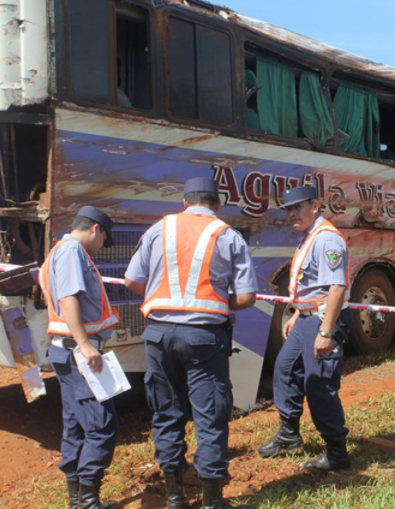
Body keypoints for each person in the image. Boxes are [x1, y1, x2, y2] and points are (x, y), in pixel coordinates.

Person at [125, 177, 257, 509]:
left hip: (158, 334)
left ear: (185, 203)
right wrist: (219, 303)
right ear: (216, 204)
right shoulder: (227, 235)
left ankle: (174, 497)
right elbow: (247, 296)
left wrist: (163, 299)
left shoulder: (159, 229)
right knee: (209, 414)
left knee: (166, 412)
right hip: (203, 337)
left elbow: (131, 280)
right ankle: (212, 503)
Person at [258, 186, 354, 471]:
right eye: (288, 209)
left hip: (324, 320)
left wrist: (325, 332)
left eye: (297, 207)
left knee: (318, 383)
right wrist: (298, 313)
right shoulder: (310, 237)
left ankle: (337, 452)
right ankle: (289, 435)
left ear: (315, 205)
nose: (292, 214)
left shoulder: (327, 239)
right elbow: (314, 283)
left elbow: (337, 287)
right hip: (306, 318)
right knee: (285, 369)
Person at [38, 206, 120, 509]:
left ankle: (77, 501)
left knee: (74, 424)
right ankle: (87, 501)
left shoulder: (57, 251)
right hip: (77, 352)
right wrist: (86, 345)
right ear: (96, 230)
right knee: (101, 425)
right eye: (103, 241)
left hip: (63, 351)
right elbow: (68, 297)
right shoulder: (72, 251)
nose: (100, 248)